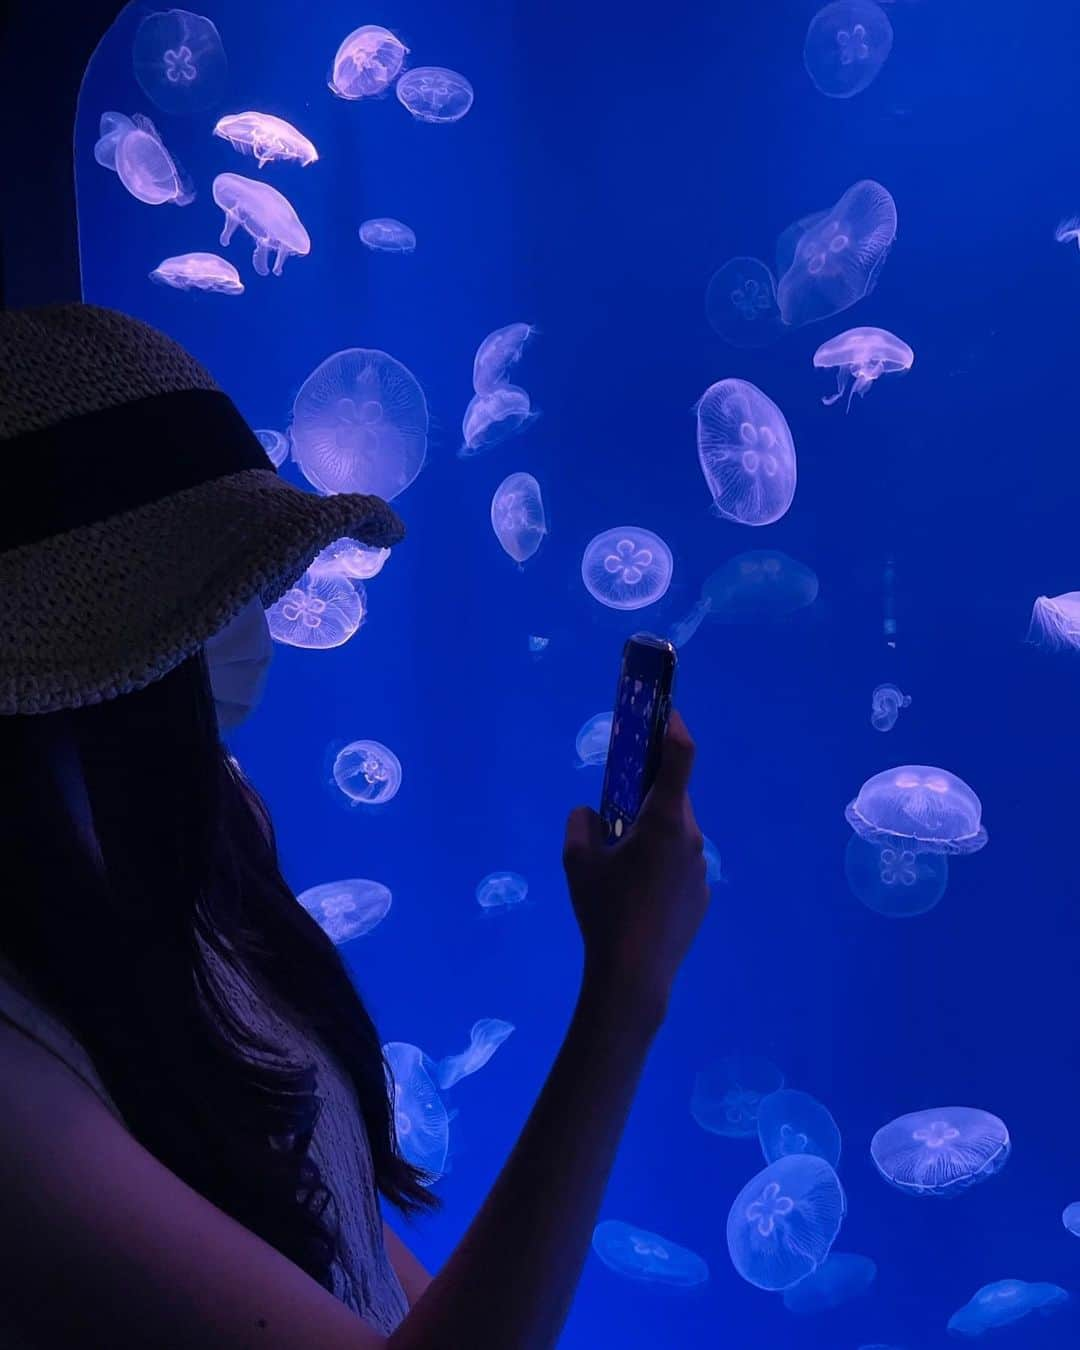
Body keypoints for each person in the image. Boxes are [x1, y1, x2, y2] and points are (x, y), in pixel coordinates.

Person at [0, 304, 710, 1349]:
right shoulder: (16, 1087)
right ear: (101, 655)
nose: (268, 613)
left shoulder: (205, 845)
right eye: (218, 591)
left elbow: (339, 1248)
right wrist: (623, 997)